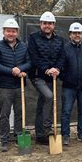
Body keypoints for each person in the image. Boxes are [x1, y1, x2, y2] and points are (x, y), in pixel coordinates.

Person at [0, 18, 31, 152]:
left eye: (13, 31)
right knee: (4, 114)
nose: (11, 34)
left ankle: (19, 135)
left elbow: (29, 63)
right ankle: (4, 139)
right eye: (8, 31)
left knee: (20, 112)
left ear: (17, 32)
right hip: (4, 86)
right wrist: (13, 71)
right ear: (4, 32)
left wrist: (20, 69)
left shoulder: (24, 46)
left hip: (20, 86)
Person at [28, 11, 65, 145]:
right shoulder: (33, 38)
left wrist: (57, 68)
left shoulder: (60, 40)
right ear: (40, 24)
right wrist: (46, 69)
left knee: (42, 103)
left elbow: (61, 57)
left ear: (53, 25)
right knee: (49, 97)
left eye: (49, 23)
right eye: (45, 23)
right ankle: (47, 128)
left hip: (52, 77)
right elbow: (34, 57)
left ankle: (39, 135)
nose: (47, 26)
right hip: (38, 76)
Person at [60, 22, 82, 145]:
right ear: (70, 34)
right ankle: (65, 135)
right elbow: (60, 66)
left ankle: (81, 134)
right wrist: (66, 78)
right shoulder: (64, 49)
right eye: (74, 33)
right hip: (68, 87)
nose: (77, 35)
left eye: (79, 33)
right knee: (66, 111)